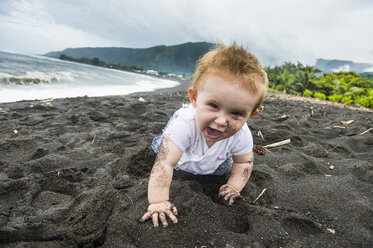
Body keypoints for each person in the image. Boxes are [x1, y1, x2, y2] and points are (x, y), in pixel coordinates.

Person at [140, 42, 268, 227]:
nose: (222, 120)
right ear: (194, 98)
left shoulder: (242, 134)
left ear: (251, 114)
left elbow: (244, 162)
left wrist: (233, 186)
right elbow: (165, 163)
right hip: (178, 156)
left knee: (230, 164)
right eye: (214, 106)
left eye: (237, 113)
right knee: (162, 150)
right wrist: (158, 202)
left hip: (215, 166)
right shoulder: (184, 123)